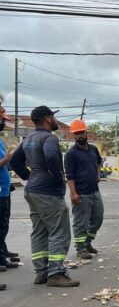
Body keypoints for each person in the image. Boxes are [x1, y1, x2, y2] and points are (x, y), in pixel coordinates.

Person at [9, 106, 79, 287]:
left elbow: (15, 161)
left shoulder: (28, 139)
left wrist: (28, 176)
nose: (55, 121)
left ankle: (41, 273)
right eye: (53, 118)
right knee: (59, 232)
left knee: (39, 231)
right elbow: (52, 158)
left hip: (32, 191)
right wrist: (56, 178)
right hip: (48, 193)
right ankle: (56, 273)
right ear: (47, 119)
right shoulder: (49, 138)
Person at [64, 119, 103, 260]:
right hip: (81, 194)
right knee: (80, 223)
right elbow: (70, 176)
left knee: (98, 219)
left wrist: (98, 173)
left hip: (95, 191)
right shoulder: (71, 154)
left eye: (82, 132)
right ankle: (80, 249)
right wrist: (73, 193)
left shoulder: (93, 149)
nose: (80, 135)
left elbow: (99, 161)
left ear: (87, 132)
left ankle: (87, 243)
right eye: (76, 134)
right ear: (73, 136)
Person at [0, 104, 20, 273]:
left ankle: (2, 253)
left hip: (4, 190)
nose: (3, 123)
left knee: (4, 223)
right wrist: (7, 158)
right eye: (2, 119)